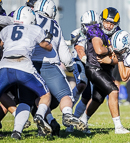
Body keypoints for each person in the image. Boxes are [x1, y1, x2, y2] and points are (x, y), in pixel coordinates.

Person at [17, 0, 87, 134]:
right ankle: (67, 114)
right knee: (65, 95)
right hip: (49, 65)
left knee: (39, 95)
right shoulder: (55, 25)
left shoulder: (28, 15)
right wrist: (71, 68)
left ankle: (45, 119)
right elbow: (65, 55)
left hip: (27, 64)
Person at [0, 6, 54, 139]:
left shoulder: (6, 29)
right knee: (45, 94)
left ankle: (16, 132)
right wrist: (49, 41)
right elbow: (46, 46)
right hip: (24, 65)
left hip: (5, 66)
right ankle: (40, 116)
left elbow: (0, 44)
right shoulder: (35, 28)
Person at [78, 8, 130, 134]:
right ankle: (118, 127)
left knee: (97, 98)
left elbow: (122, 55)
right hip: (94, 68)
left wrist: (111, 60)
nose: (108, 25)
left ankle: (82, 121)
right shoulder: (95, 29)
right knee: (113, 90)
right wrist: (112, 50)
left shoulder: (118, 32)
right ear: (102, 20)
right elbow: (99, 50)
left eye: (112, 23)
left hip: (106, 70)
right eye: (106, 22)